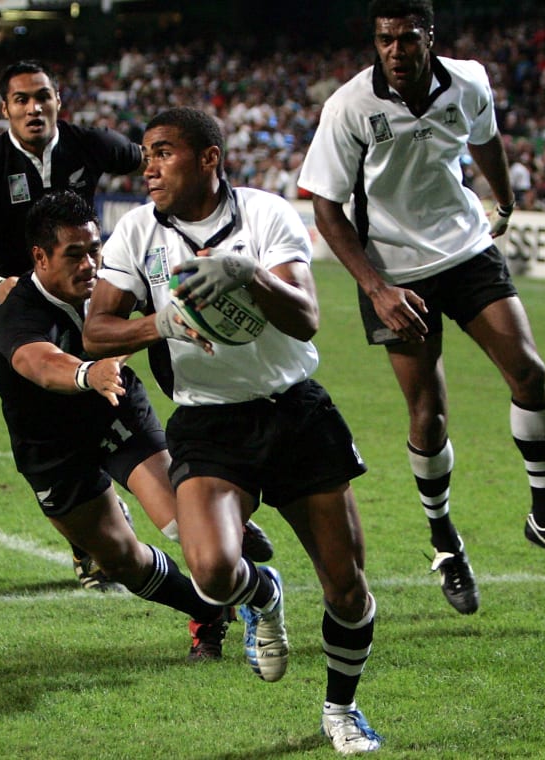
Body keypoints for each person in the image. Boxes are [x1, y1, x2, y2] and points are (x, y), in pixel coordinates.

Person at [84, 107, 383, 755]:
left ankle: (343, 710)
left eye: (163, 152)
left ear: (210, 159)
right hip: (208, 418)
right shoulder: (136, 230)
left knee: (346, 584)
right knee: (214, 573)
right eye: (145, 152)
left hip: (294, 411)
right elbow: (96, 331)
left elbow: (305, 317)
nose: (149, 166)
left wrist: (248, 275)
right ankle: (264, 592)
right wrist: (159, 324)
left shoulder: (267, 215)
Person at [298, 0, 545, 617]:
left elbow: (487, 141)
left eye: (407, 39)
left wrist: (506, 202)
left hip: (465, 250)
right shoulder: (349, 107)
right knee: (428, 415)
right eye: (385, 39)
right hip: (392, 274)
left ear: (428, 38)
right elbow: (326, 209)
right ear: (375, 40)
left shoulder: (468, 80)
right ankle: (445, 545)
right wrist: (376, 289)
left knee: (530, 373)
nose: (395, 51)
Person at [0, 59, 274, 591]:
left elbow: (160, 164)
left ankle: (209, 529)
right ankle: (91, 539)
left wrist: (204, 193)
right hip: (28, 314)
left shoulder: (90, 144)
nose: (35, 108)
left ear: (59, 100)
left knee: (173, 521)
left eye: (44, 96)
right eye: (22, 99)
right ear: (4, 109)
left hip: (90, 299)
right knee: (47, 406)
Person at [0, 189, 232, 660]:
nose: (90, 264)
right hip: (49, 445)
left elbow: (134, 321)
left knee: (185, 527)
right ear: (40, 257)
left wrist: (116, 353)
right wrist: (87, 371)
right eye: (74, 255)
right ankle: (205, 608)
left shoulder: (108, 284)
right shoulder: (14, 312)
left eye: (95, 249)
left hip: (115, 409)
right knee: (121, 560)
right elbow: (39, 363)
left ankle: (237, 569)